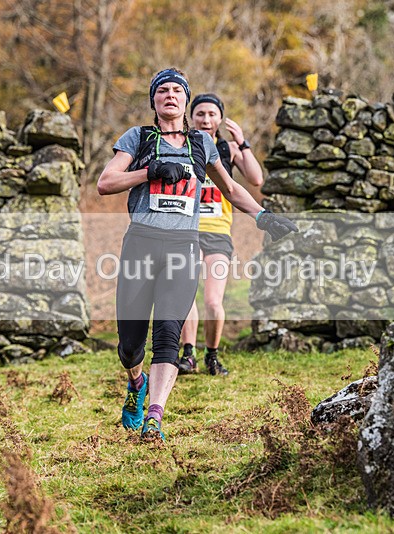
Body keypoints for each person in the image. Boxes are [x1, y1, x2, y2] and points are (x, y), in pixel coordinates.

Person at [97, 68, 297, 441]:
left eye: (177, 91)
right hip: (141, 242)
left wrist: (264, 217)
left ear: (186, 101)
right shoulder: (137, 138)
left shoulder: (201, 144)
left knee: (169, 333)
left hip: (183, 246)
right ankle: (136, 383)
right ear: (154, 101)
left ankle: (155, 416)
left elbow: (232, 188)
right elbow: (105, 183)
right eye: (163, 91)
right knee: (129, 345)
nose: (170, 95)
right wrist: (148, 171)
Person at [178, 94, 263, 377]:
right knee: (185, 296)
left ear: (219, 119)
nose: (205, 119)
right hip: (185, 231)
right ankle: (187, 355)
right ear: (192, 117)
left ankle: (212, 357)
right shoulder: (182, 145)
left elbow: (256, 179)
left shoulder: (226, 149)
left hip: (217, 233)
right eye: (200, 113)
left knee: (213, 301)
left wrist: (243, 143)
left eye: (212, 114)